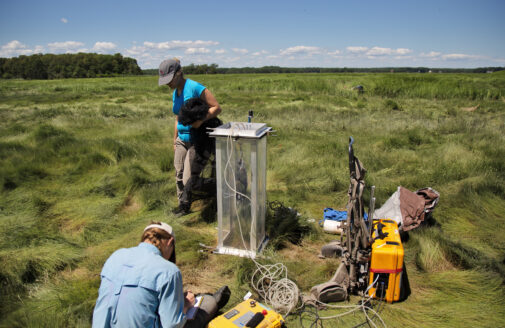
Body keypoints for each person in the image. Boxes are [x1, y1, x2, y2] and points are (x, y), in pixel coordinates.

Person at [92, 221, 230, 328]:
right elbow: (172, 325)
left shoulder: (116, 256)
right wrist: (186, 306)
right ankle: (212, 302)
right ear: (170, 242)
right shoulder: (168, 271)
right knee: (208, 303)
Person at [159, 58, 222, 216]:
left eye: (169, 79)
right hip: (181, 139)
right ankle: (183, 207)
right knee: (179, 174)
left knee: (189, 178)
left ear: (179, 73)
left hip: (196, 138)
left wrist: (200, 121)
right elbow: (177, 117)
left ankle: (217, 189)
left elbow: (216, 108)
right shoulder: (175, 93)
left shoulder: (194, 87)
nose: (167, 84)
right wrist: (175, 140)